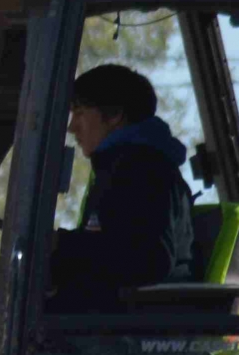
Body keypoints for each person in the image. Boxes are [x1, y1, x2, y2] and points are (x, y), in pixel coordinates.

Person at [50, 63, 195, 311]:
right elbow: (114, 245)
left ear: (115, 114)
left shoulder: (144, 171)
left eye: (80, 112)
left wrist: (60, 246)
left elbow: (149, 260)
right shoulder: (120, 168)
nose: (72, 127)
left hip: (119, 330)